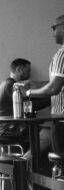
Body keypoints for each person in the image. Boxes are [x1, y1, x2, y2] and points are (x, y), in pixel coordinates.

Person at [22, 14, 64, 157]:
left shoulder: (62, 54)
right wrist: (39, 87)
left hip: (61, 120)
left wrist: (29, 93)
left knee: (61, 165)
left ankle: (22, 167)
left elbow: (54, 88)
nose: (52, 33)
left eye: (54, 27)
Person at [0, 58, 34, 149]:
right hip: (7, 130)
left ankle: (27, 160)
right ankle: (26, 160)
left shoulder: (7, 83)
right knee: (44, 134)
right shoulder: (10, 85)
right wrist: (51, 99)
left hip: (5, 128)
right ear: (19, 69)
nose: (29, 75)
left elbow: (25, 103)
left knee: (38, 132)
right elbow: (25, 106)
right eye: (27, 71)